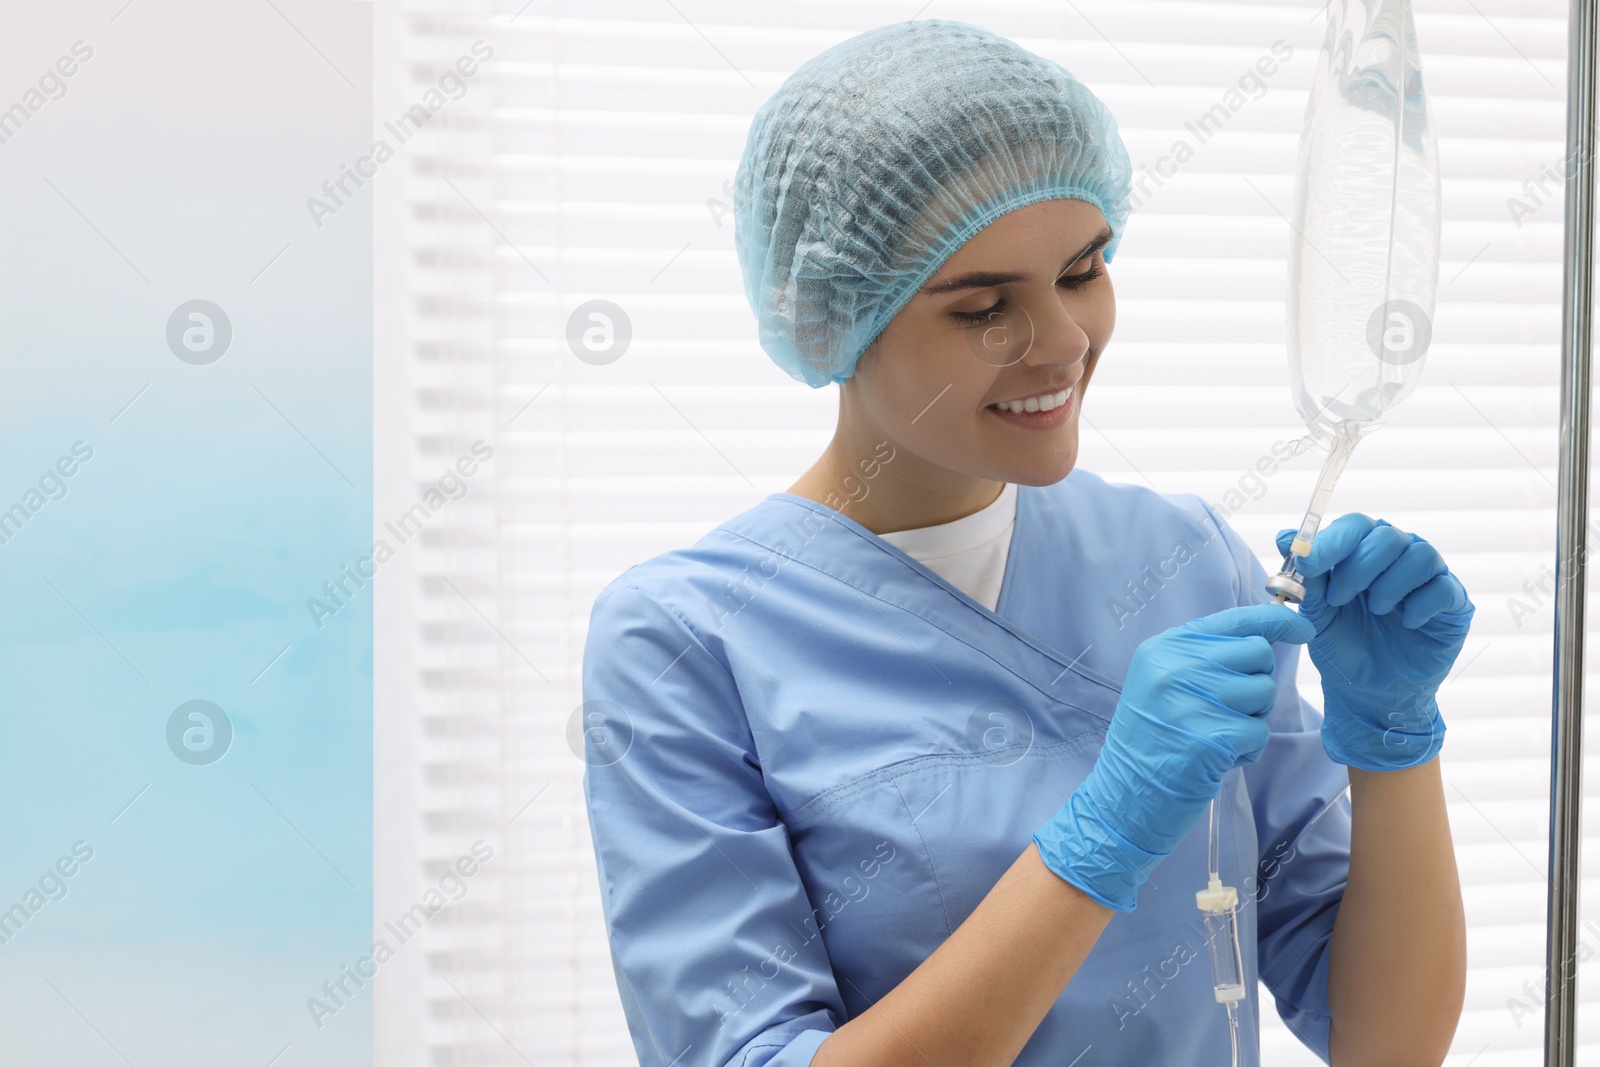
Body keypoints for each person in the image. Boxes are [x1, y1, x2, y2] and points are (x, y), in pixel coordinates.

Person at [580, 18, 1473, 1067]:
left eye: (1083, 269)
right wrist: (1099, 838)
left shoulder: (1181, 556)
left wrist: (1392, 741)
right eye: (984, 307)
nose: (1062, 341)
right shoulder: (686, 639)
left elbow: (1386, 1040)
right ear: (833, 317)